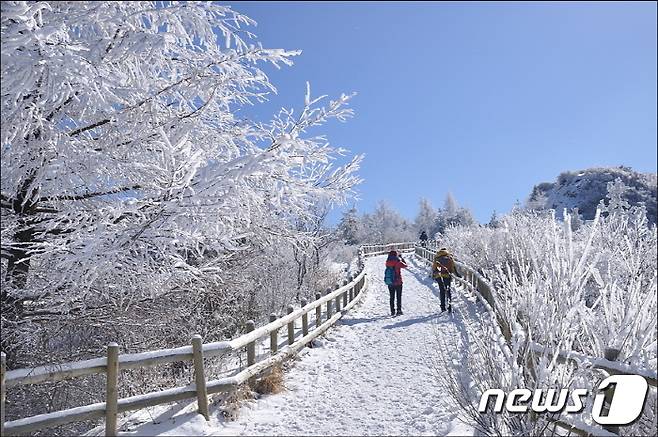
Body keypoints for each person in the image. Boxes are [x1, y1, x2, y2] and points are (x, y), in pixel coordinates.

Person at [432, 247, 461, 312]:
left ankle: (443, 307)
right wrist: (457, 275)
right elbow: (453, 267)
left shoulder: (437, 257)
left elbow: (434, 267)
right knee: (448, 291)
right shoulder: (449, 257)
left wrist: (433, 275)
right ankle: (449, 306)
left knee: (442, 291)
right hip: (447, 276)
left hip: (439, 276)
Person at [385, 250, 408, 316]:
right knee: (398, 296)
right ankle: (399, 310)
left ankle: (392, 311)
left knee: (391, 297)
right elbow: (405, 265)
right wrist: (402, 258)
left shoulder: (387, 262)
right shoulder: (398, 262)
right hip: (398, 282)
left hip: (390, 282)